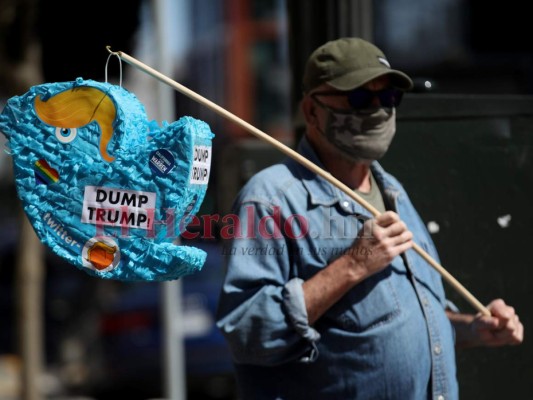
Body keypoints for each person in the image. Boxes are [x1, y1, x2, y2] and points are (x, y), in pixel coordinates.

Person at [215, 37, 523, 400]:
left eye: (389, 98)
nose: (378, 109)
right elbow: (248, 332)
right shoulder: (271, 199)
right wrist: (352, 265)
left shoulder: (391, 189)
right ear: (312, 112)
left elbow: (407, 321)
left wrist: (473, 328)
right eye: (359, 99)